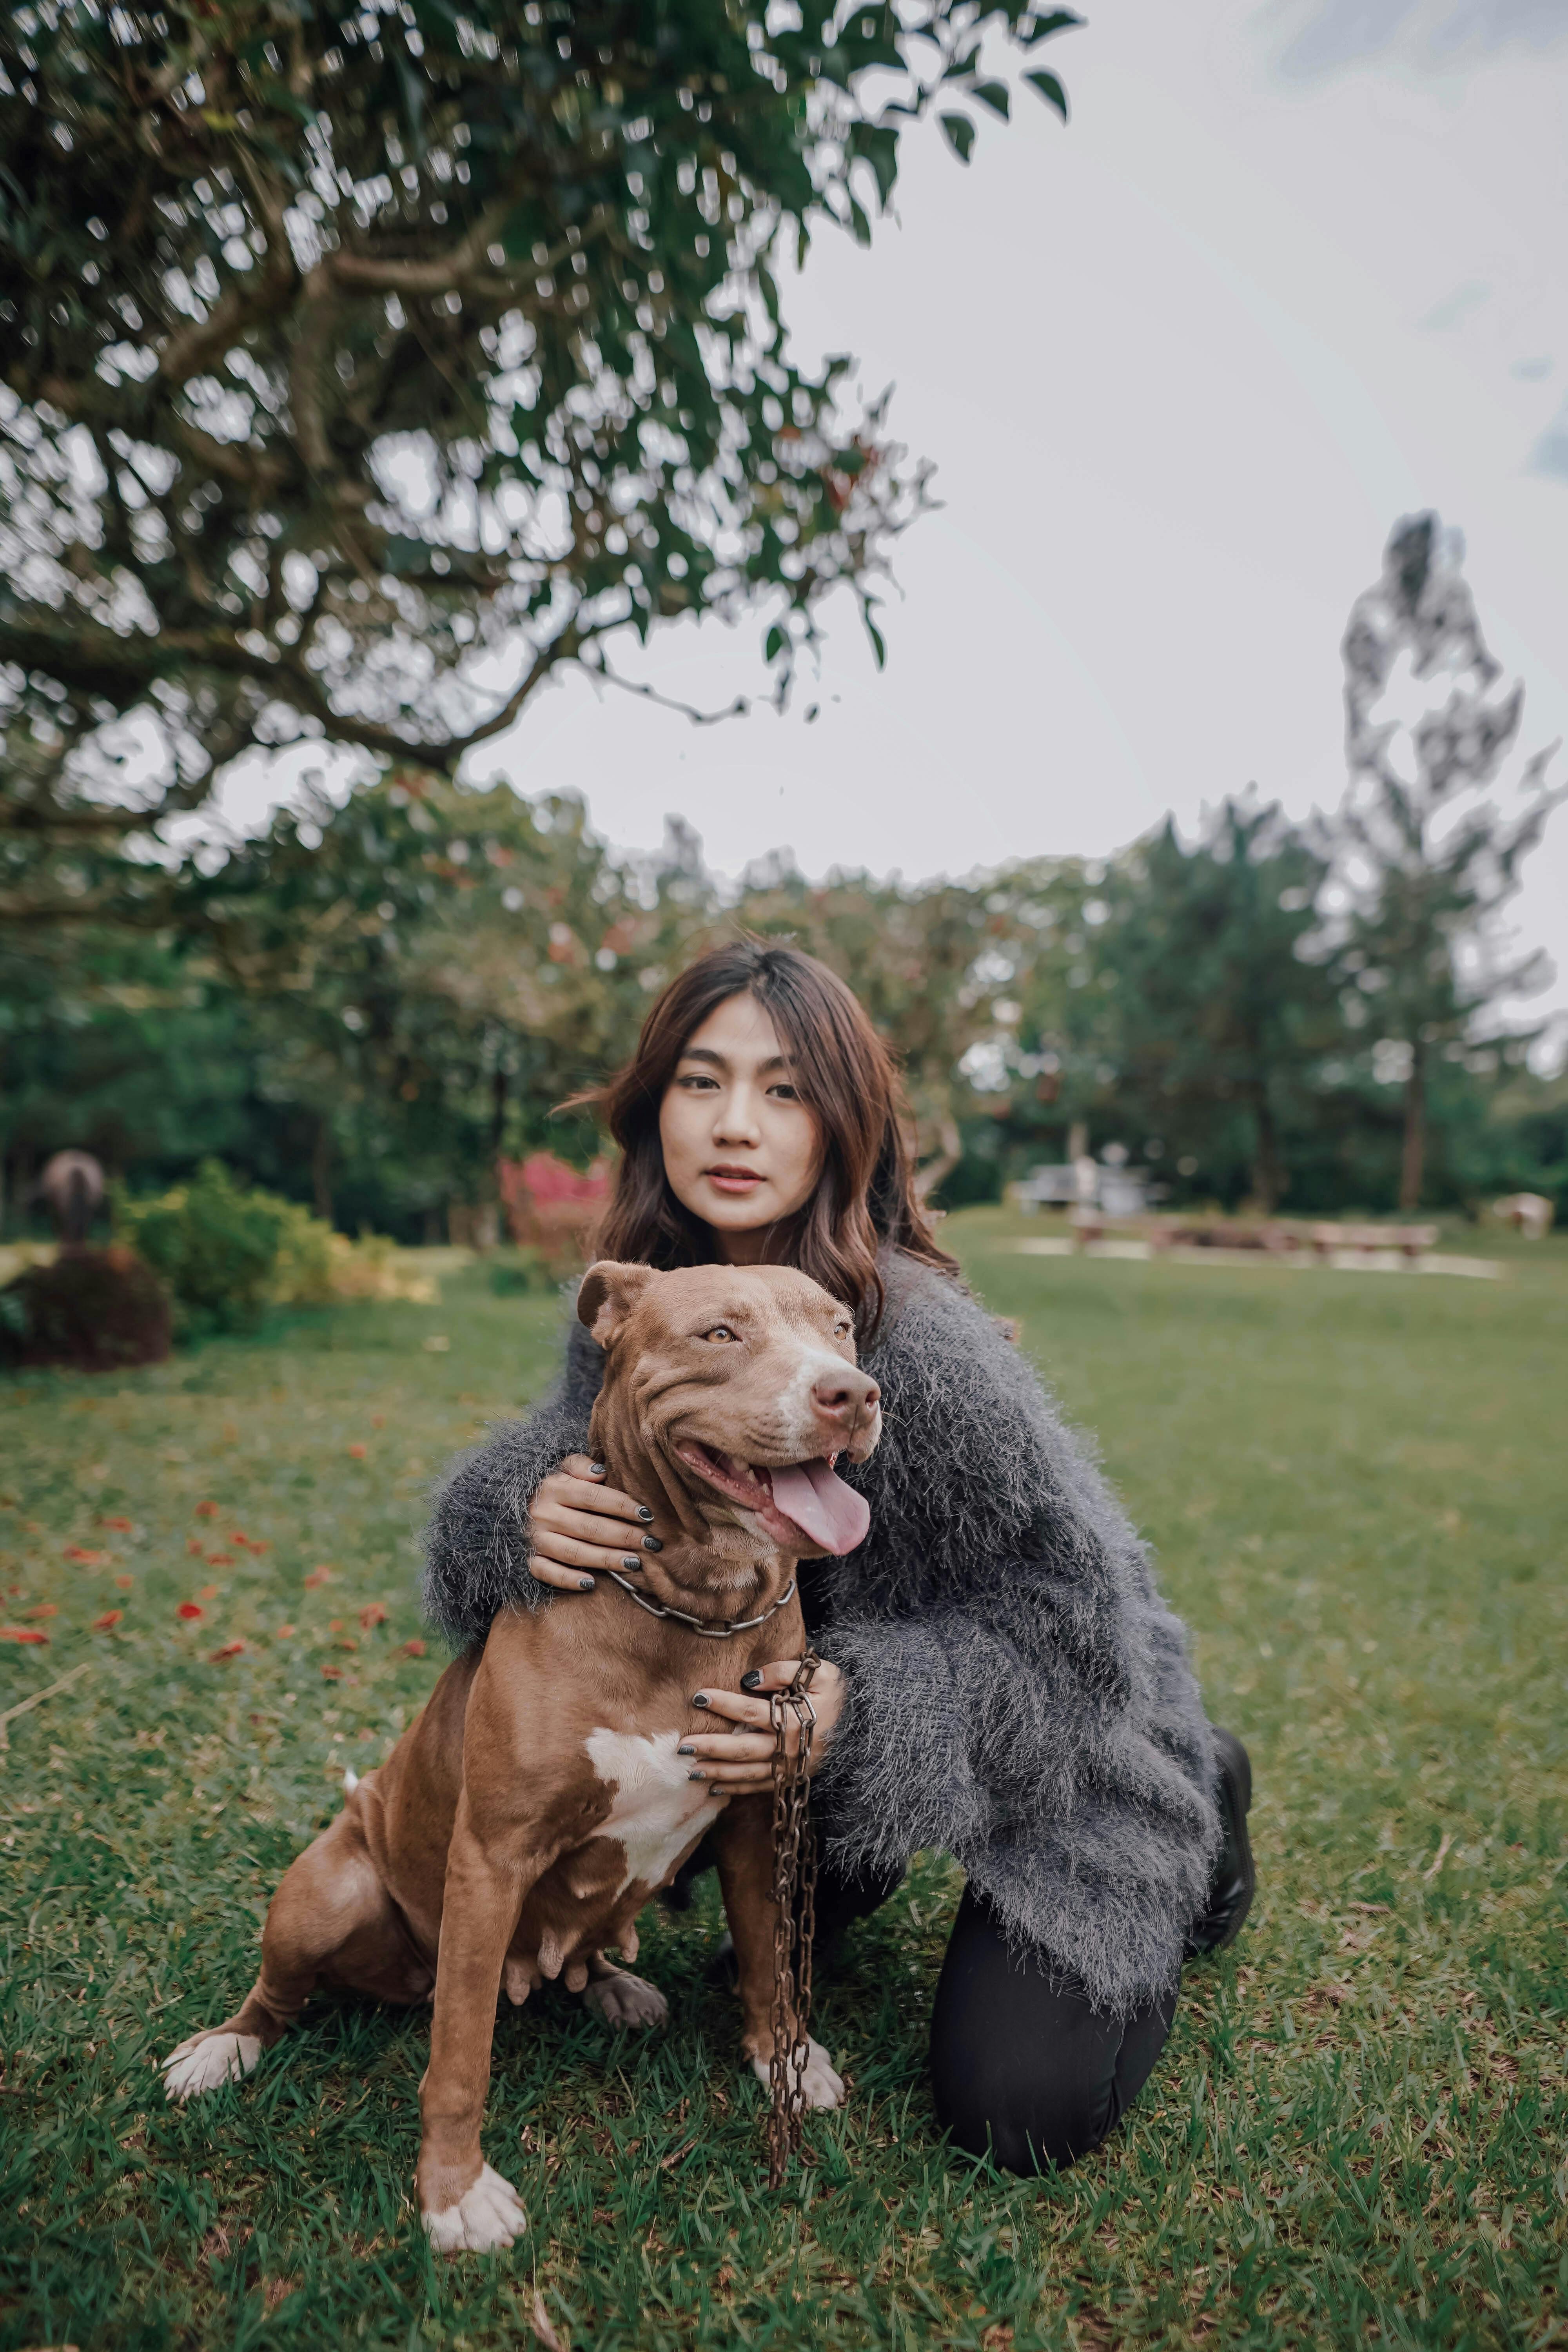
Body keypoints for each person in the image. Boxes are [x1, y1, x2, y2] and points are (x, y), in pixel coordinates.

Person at [423, 942, 1254, 2174]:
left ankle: (1211, 1807)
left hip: (1069, 1734)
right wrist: (512, 1514)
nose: (737, 1126)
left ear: (844, 1122)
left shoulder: (920, 1348)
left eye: (787, 1089)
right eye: (702, 1083)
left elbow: (1082, 1635)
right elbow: (560, 1468)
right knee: (771, 1913)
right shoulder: (650, 1300)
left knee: (1016, 2109)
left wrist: (855, 1711)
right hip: (797, 1763)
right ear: (657, 1109)